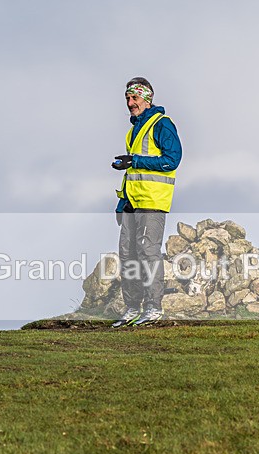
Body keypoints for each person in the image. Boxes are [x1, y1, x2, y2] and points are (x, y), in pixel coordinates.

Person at [110, 77, 182, 327]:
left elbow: (172, 160)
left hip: (153, 202)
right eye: (127, 99)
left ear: (147, 98)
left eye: (135, 98)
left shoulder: (162, 124)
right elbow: (132, 174)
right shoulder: (133, 131)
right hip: (132, 204)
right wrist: (122, 205)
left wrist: (136, 161)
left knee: (148, 253)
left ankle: (153, 308)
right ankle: (132, 308)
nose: (130, 103)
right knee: (127, 255)